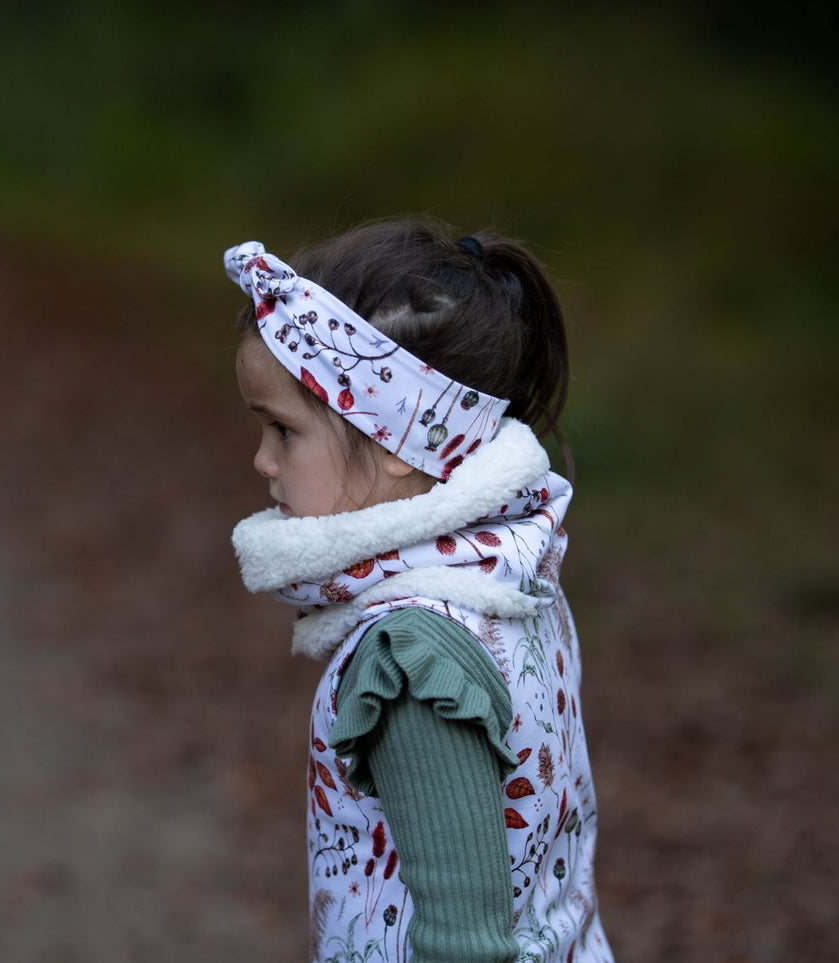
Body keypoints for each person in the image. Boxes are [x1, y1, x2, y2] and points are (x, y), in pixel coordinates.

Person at [224, 220, 613, 963]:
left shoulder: (411, 657)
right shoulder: (503, 578)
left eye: (283, 430)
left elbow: (464, 941)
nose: (262, 460)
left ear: (401, 440)